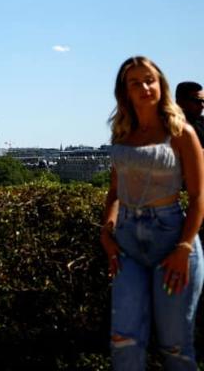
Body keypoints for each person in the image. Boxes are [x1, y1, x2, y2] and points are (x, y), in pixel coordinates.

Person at [100, 56, 204, 369]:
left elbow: (199, 197)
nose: (145, 87)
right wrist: (106, 232)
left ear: (161, 85)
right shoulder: (122, 135)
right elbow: (116, 195)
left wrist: (184, 248)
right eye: (136, 82)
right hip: (128, 245)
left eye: (150, 80)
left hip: (172, 240)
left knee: (175, 346)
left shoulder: (182, 133)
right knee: (124, 341)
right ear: (125, 92)